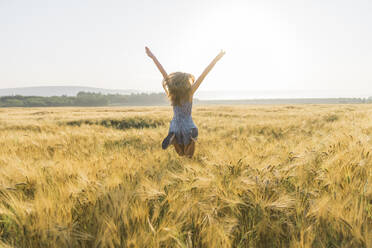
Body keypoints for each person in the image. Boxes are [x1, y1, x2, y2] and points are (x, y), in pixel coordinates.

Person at [145, 46, 225, 157]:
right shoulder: (190, 92)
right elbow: (204, 73)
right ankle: (191, 139)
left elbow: (162, 71)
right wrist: (216, 59)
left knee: (181, 154)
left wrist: (152, 57)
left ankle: (173, 140)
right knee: (188, 156)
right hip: (188, 125)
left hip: (175, 125)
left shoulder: (172, 92)